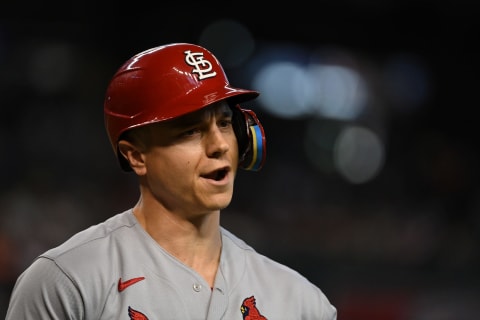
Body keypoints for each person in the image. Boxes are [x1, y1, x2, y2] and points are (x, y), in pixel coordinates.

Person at [6, 42, 337, 319]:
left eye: (224, 123)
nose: (219, 145)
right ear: (136, 155)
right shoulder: (68, 281)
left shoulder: (302, 303)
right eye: (190, 130)